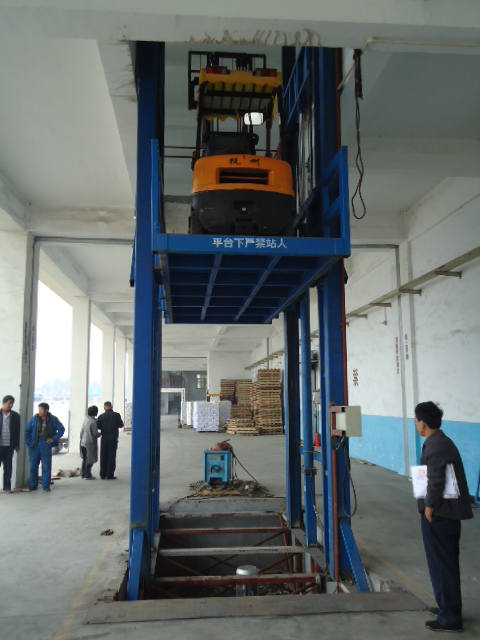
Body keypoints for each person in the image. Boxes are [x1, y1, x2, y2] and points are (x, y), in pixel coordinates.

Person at [415, 401, 473, 633]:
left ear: (423, 423)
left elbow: (437, 480)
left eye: (416, 420)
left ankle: (450, 618)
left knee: (443, 565)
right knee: (440, 564)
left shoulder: (438, 445)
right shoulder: (438, 442)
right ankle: (446, 608)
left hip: (440, 515)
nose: (416, 424)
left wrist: (429, 506)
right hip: (441, 513)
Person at [25, 402, 65, 492]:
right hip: (34, 445)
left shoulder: (53, 419)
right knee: (33, 466)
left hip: (46, 444)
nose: (39, 411)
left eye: (41, 410)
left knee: (46, 466)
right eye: (38, 409)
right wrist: (29, 442)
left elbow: (61, 429)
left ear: (46, 410)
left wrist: (54, 439)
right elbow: (27, 431)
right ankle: (33, 485)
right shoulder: (34, 419)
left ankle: (45, 486)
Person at [97, 401, 123, 480]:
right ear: (111, 406)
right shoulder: (116, 415)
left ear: (104, 408)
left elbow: (98, 426)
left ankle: (102, 474)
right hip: (113, 438)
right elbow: (121, 425)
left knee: (103, 456)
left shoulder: (101, 416)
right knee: (111, 456)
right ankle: (109, 474)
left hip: (104, 438)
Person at [0, 395, 20, 493]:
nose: (11, 405)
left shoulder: (16, 416)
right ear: (3, 403)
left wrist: (17, 445)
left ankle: (7, 488)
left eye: (12, 403)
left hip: (9, 446)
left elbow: (18, 432)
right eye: (9, 403)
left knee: (8, 468)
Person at [80, 405, 100, 479]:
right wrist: (100, 433)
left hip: (83, 442)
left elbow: (82, 431)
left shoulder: (86, 419)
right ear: (95, 412)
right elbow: (95, 434)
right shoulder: (93, 422)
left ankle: (83, 473)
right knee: (90, 459)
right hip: (90, 443)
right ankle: (88, 475)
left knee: (85, 458)